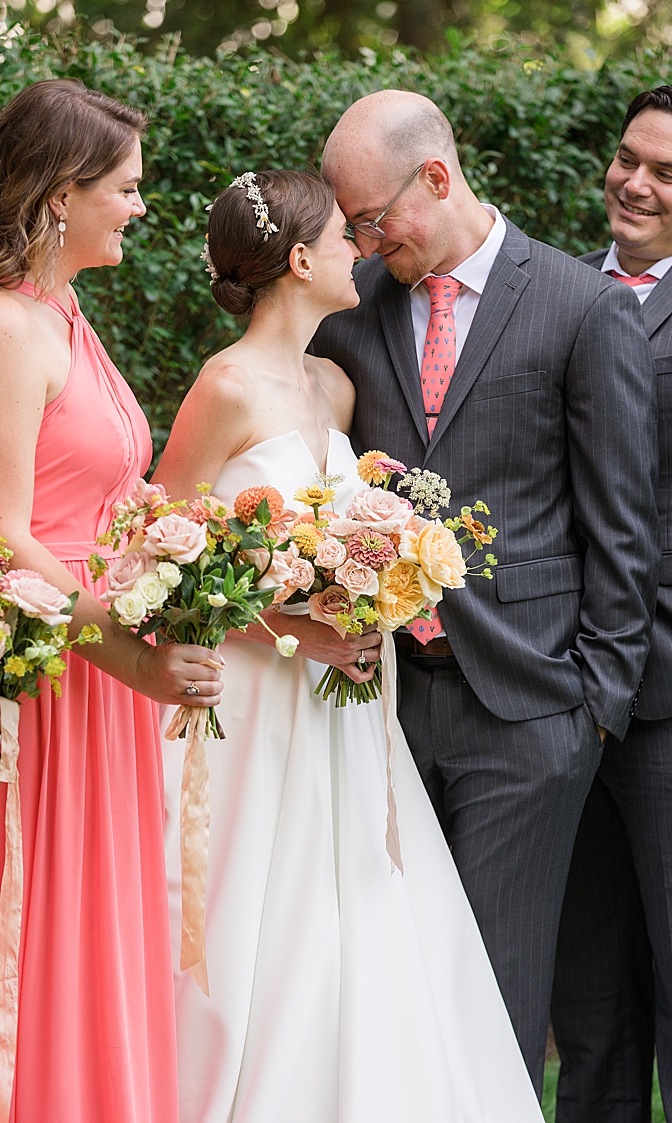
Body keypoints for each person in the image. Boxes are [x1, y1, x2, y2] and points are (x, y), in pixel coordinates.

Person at [153, 169, 540, 1122]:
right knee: (260, 908)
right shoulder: (226, 386)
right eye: (340, 237)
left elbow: (348, 523)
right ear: (296, 260)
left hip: (353, 700)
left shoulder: (335, 384)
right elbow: (161, 560)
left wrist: (382, 581)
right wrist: (292, 627)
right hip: (257, 696)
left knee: (361, 897)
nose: (358, 250)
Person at [308, 90, 660, 1094]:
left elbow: (622, 526)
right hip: (377, 712)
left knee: (494, 994)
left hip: (532, 710)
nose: (367, 245)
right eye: (352, 230)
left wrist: (593, 705)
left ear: (437, 177)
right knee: (391, 982)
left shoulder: (583, 305)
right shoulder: (349, 314)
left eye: (376, 220)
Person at [0, 78, 225, 1123]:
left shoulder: (66, 315)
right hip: (52, 686)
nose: (142, 207)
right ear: (59, 197)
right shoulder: (10, 331)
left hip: (105, 683)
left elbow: (96, 495)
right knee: (51, 923)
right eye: (126, 189)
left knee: (112, 922)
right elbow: (8, 533)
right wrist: (126, 640)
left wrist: (176, 562)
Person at [550, 84, 672, 1123]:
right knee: (588, 1002)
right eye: (628, 157)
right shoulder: (552, 288)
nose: (632, 181)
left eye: (665, 171)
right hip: (559, 690)